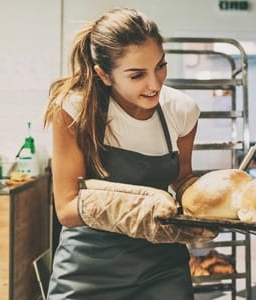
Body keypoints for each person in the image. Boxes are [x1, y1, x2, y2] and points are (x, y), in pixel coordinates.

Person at [43, 8, 215, 299]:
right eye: (137, 75)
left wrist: (214, 202)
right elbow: (67, 210)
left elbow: (182, 179)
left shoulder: (181, 110)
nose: (155, 84)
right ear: (104, 75)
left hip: (162, 267)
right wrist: (138, 209)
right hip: (89, 267)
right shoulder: (74, 110)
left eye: (160, 66)